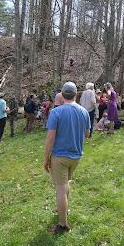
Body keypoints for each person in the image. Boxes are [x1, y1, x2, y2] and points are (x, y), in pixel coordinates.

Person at [44, 82, 91, 235]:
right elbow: (87, 134)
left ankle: (63, 225)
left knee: (60, 187)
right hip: (76, 156)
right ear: (76, 95)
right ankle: (63, 208)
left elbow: (50, 138)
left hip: (60, 156)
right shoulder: (84, 112)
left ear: (62, 95)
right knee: (65, 184)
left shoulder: (56, 112)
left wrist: (46, 158)